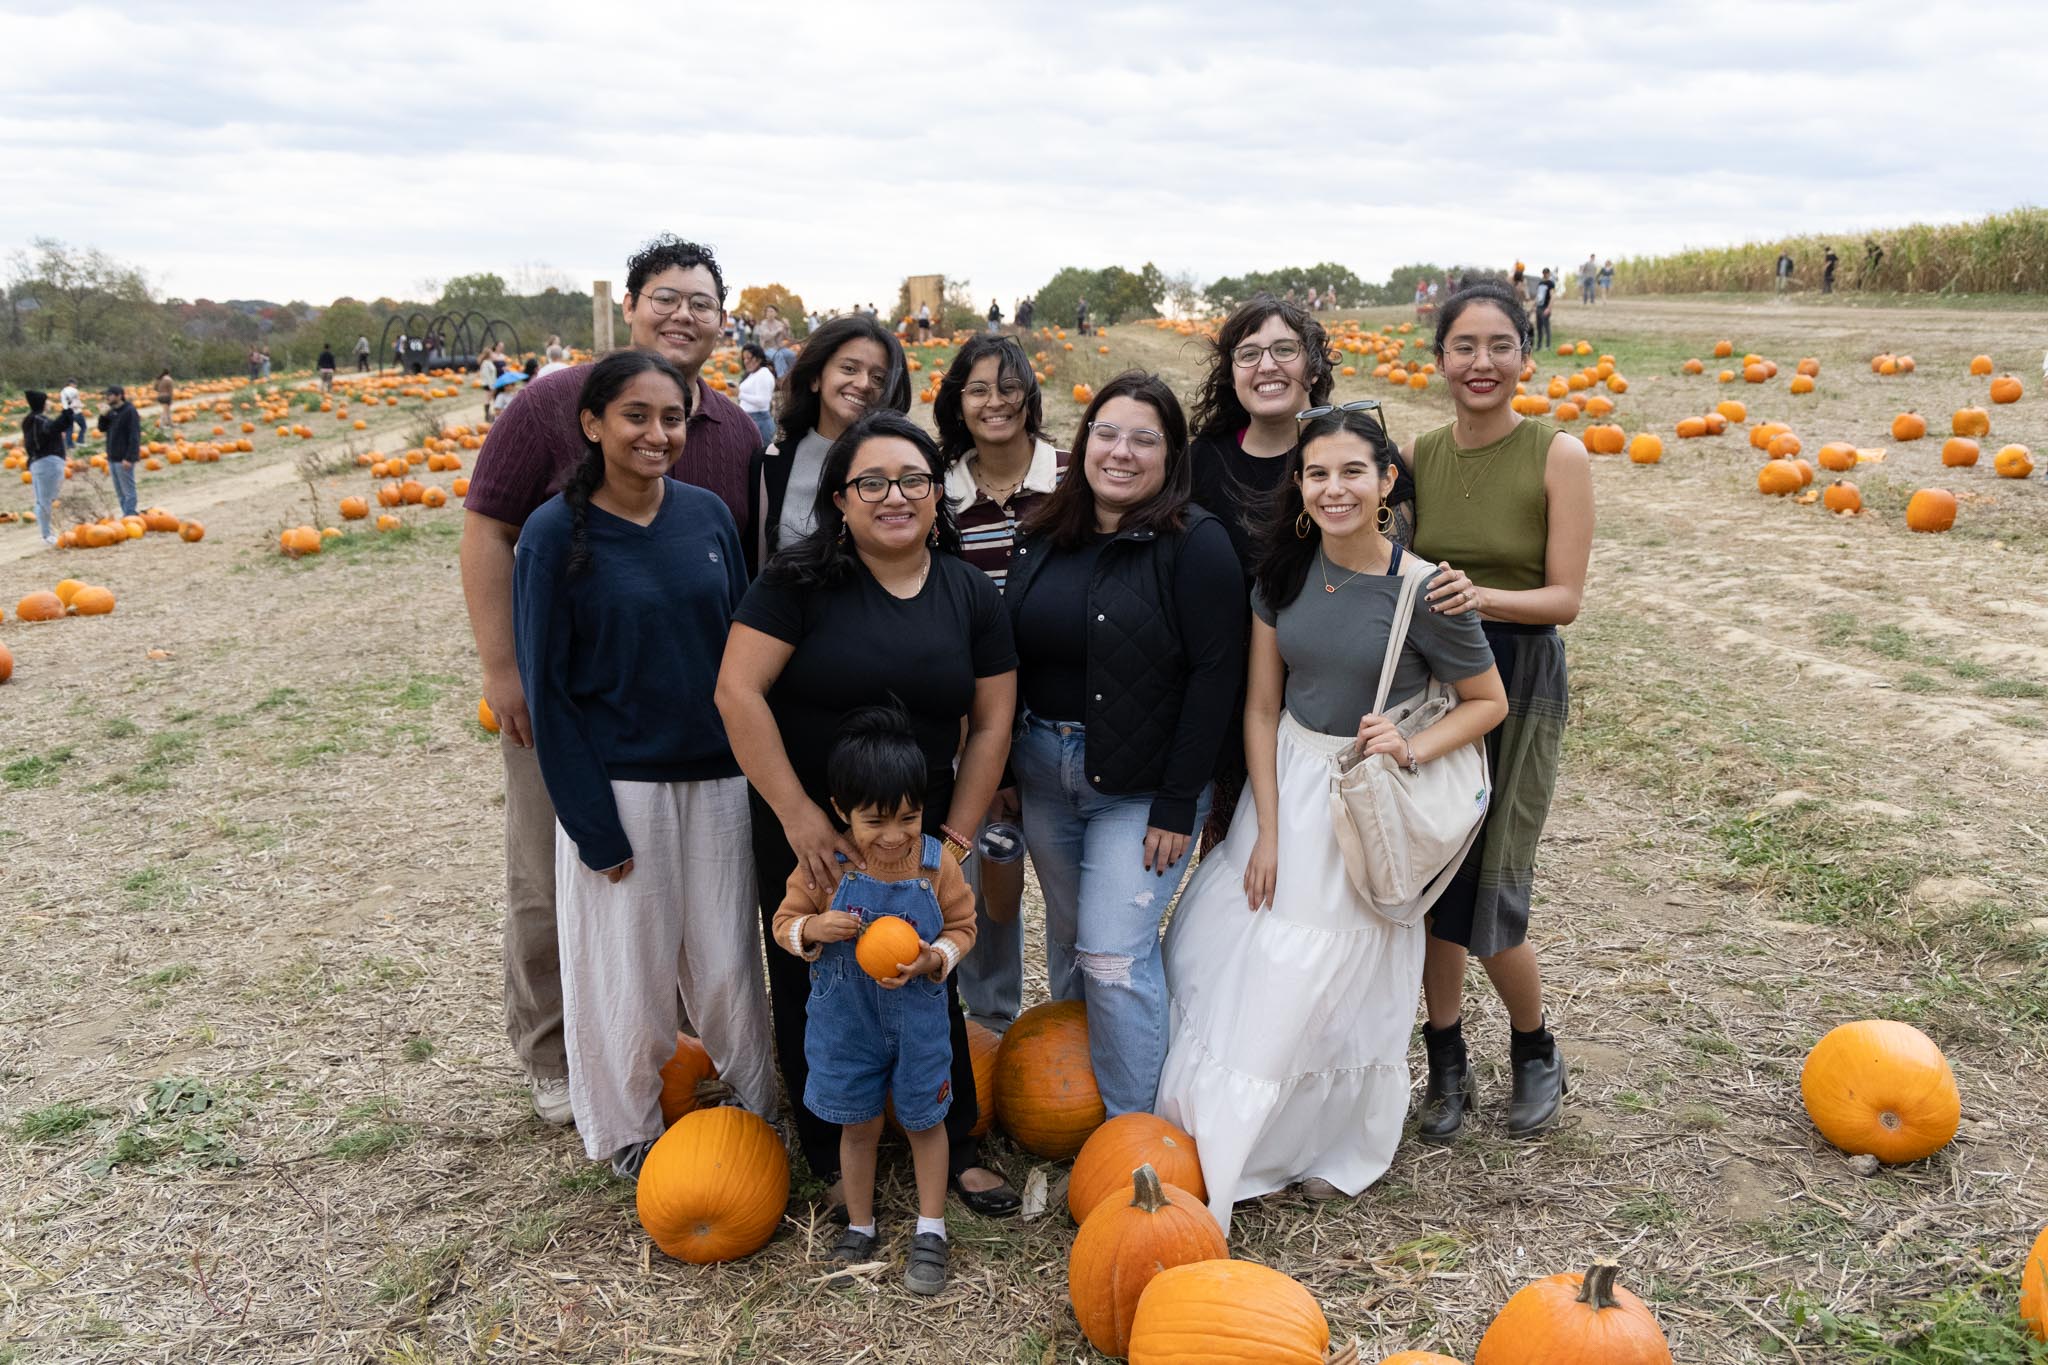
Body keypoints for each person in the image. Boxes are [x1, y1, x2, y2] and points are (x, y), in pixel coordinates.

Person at [1157, 406, 1506, 1232]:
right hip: (1288, 783)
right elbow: (1260, 705)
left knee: (1325, 973)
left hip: (1363, 793)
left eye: (1353, 471)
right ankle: (1233, 1134)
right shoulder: (1283, 576)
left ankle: (1320, 1141)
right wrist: (1268, 827)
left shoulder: (1429, 591)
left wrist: (1411, 747)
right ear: (1301, 487)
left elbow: (1487, 702)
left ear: (1387, 481)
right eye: (1317, 474)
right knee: (1242, 947)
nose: (1334, 487)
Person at [460, 233, 763, 1126]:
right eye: (665, 297)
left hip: (690, 715)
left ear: (720, 320)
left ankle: (663, 1050)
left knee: (683, 900)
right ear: (631, 306)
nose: (682, 314)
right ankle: (557, 1053)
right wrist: (503, 668)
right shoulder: (552, 402)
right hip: (571, 695)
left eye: (700, 302)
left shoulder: (733, 430)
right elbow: (487, 529)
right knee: (556, 875)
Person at [717, 409, 1023, 1220]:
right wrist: (798, 816)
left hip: (914, 833)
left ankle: (951, 1138)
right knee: (816, 972)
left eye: (913, 479)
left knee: (928, 969)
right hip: (811, 823)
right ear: (841, 500)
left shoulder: (966, 591)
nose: (896, 496)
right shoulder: (798, 581)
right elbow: (736, 691)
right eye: (873, 482)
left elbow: (992, 721)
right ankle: (831, 1143)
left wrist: (954, 833)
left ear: (936, 492)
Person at [513, 350, 775, 1180]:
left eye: (672, 418)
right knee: (625, 966)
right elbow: (548, 693)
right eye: (636, 415)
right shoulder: (554, 534)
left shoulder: (704, 518)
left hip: (721, 779)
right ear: (593, 424)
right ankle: (628, 1129)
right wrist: (590, 822)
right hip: (622, 784)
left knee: (730, 959)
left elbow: (741, 657)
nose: (657, 434)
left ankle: (759, 1107)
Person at [1006, 372, 1245, 1118]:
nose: (1122, 451)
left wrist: (1181, 797)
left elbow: (1217, 676)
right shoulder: (1043, 531)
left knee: (1114, 954)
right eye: (1108, 432)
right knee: (1074, 943)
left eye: (1145, 438)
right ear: (1084, 443)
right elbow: (1008, 656)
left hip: (1141, 787)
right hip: (1044, 770)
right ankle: (1070, 1106)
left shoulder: (1195, 543)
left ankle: (1136, 1131)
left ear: (1170, 455)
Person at [1403, 283, 1593, 1143]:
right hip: (1439, 683)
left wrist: (1483, 598)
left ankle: (1533, 1045)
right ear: (1439, 359)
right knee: (1434, 877)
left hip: (1517, 678)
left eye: (1499, 346)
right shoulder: (1422, 453)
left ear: (1527, 355)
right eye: (1464, 347)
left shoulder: (1559, 455)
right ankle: (1445, 1062)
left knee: (1492, 883)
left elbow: (1566, 598)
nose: (1482, 363)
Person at [771, 705, 977, 1294]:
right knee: (857, 1127)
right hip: (847, 1024)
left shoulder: (938, 867)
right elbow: (784, 923)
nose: (894, 836)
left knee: (925, 1122)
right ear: (842, 813)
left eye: (909, 818)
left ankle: (931, 1229)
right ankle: (860, 1225)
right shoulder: (825, 871)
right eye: (874, 821)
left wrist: (935, 957)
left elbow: (963, 929)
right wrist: (812, 930)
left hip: (918, 1024)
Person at [935, 335, 1066, 1031]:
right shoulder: (936, 493)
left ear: (1029, 395)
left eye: (1008, 387)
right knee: (989, 881)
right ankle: (991, 1028)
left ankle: (1077, 1030)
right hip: (973, 722)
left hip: (1069, 716)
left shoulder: (1075, 476)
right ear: (958, 400)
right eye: (978, 388)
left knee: (1072, 892)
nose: (995, 402)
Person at [746, 312, 909, 570]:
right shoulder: (770, 465)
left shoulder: (908, 470)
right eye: (849, 368)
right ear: (815, 378)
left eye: (878, 378)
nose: (864, 383)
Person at [21, 391, 67, 547]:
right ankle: (47, 534)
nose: (48, 404)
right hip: (46, 462)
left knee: (44, 499)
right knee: (45, 499)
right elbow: (54, 428)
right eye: (46, 401)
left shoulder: (30, 420)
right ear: (42, 403)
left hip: (40, 462)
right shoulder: (39, 420)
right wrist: (67, 412)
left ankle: (45, 530)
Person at [97, 385, 142, 517]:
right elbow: (101, 428)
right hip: (112, 456)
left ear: (119, 396)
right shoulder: (111, 411)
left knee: (128, 491)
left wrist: (130, 457)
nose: (107, 398)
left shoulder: (129, 411)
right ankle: (126, 515)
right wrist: (103, 416)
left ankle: (130, 516)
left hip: (124, 457)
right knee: (120, 492)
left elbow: (134, 436)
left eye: (110, 395)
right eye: (106, 395)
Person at [737, 342, 776, 447]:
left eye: (749, 358)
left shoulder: (764, 374)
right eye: (744, 358)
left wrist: (739, 394)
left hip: (759, 423)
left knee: (760, 458)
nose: (745, 361)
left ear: (758, 359)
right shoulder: (753, 374)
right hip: (750, 420)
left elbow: (763, 402)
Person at [1531, 270, 1555, 351]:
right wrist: (1534, 306)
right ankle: (1539, 346)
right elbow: (1538, 296)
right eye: (1544, 273)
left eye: (1547, 273)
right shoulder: (1540, 283)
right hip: (1539, 307)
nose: (1545, 274)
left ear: (1549, 274)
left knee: (1546, 327)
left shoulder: (1550, 284)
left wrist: (1549, 308)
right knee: (1539, 327)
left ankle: (1548, 346)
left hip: (1545, 308)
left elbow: (1552, 296)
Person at [58, 379, 83, 450]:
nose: (76, 386)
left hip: (65, 410)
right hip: (72, 411)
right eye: (75, 384)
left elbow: (63, 401)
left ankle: (63, 444)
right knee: (70, 429)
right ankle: (70, 445)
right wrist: (80, 406)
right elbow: (76, 402)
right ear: (72, 384)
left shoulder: (63, 391)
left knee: (66, 429)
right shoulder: (74, 391)